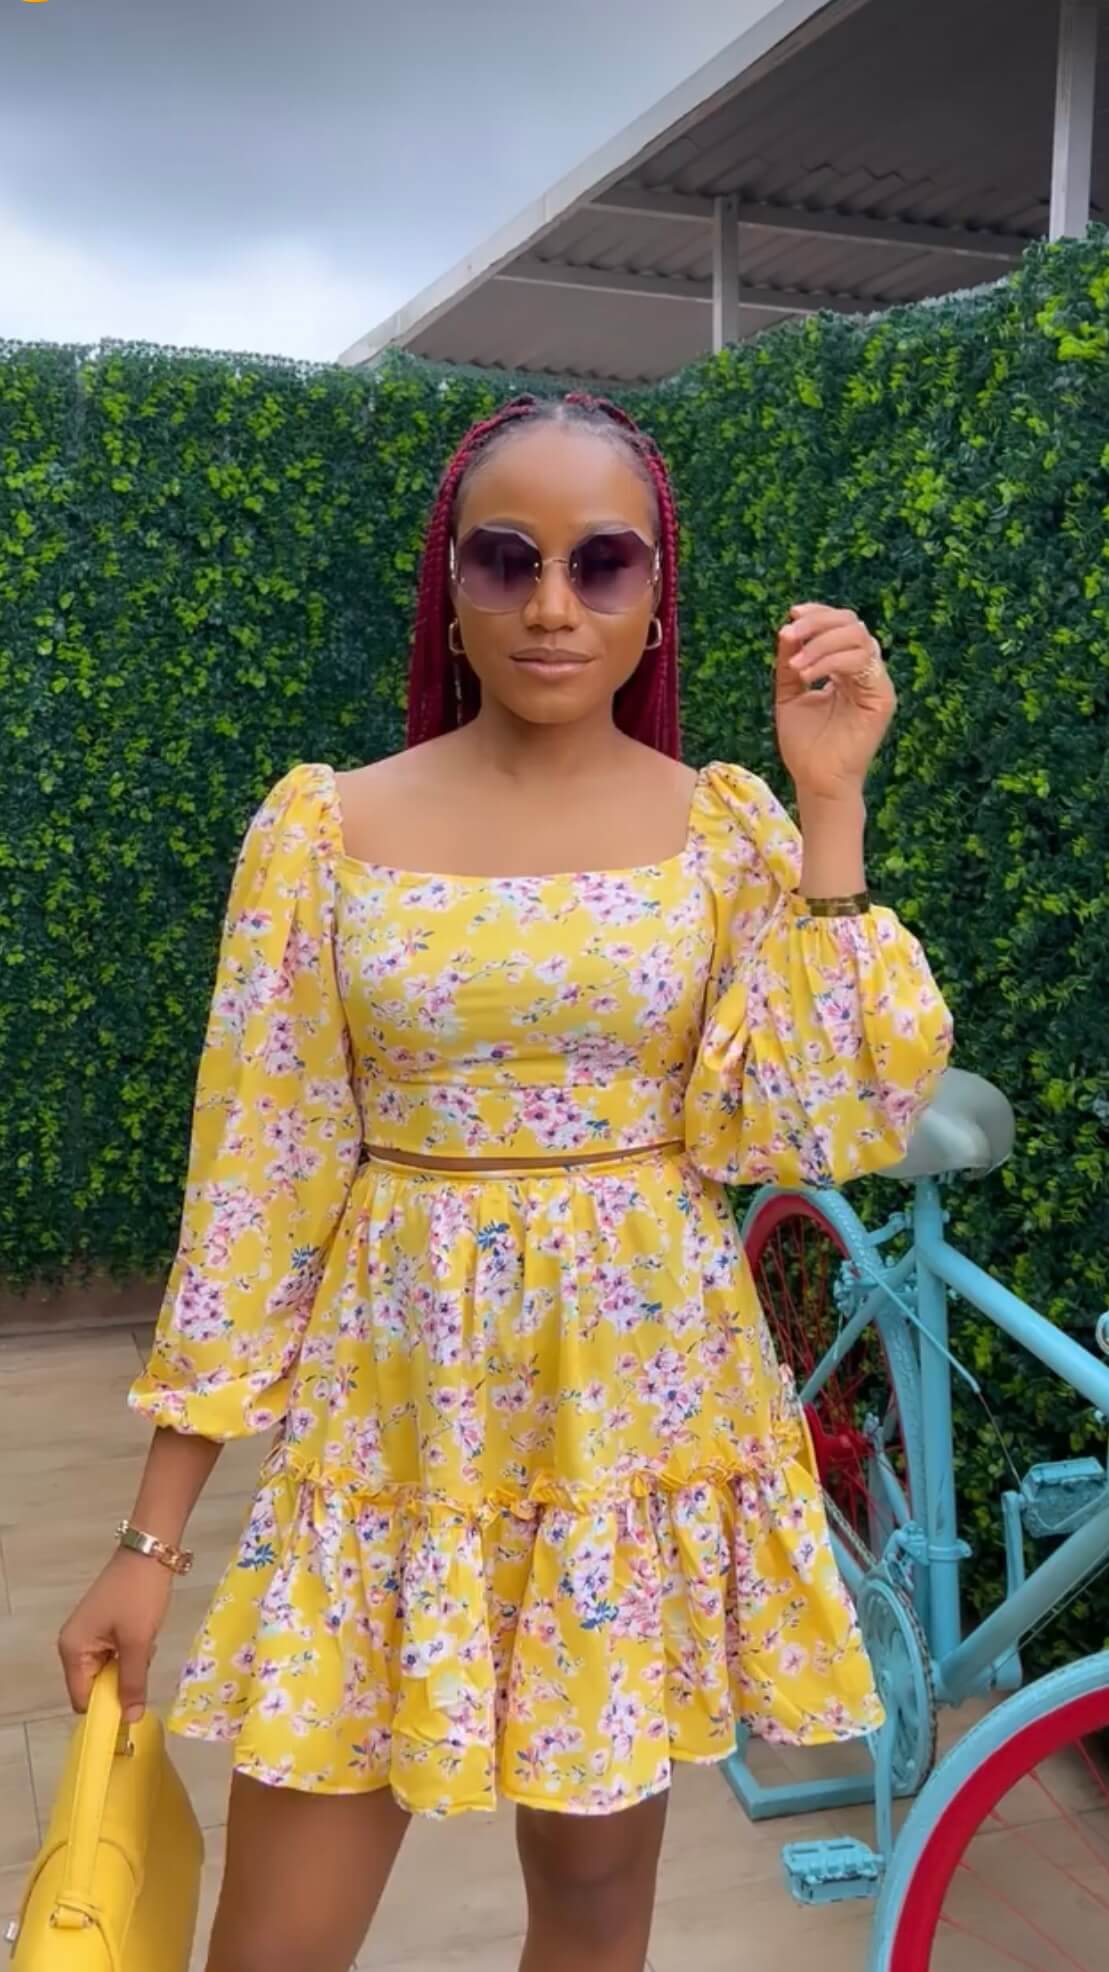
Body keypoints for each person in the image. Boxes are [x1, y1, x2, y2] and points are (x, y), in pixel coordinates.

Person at [58, 392, 952, 1972]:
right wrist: (150, 1543)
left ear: (656, 596)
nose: (552, 603)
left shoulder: (726, 830)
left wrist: (831, 804)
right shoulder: (325, 830)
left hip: (631, 1424)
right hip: (391, 1429)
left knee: (596, 1906)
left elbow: (816, 1118)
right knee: (273, 1944)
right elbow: (258, 1187)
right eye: (506, 558)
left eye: (601, 563)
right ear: (450, 586)